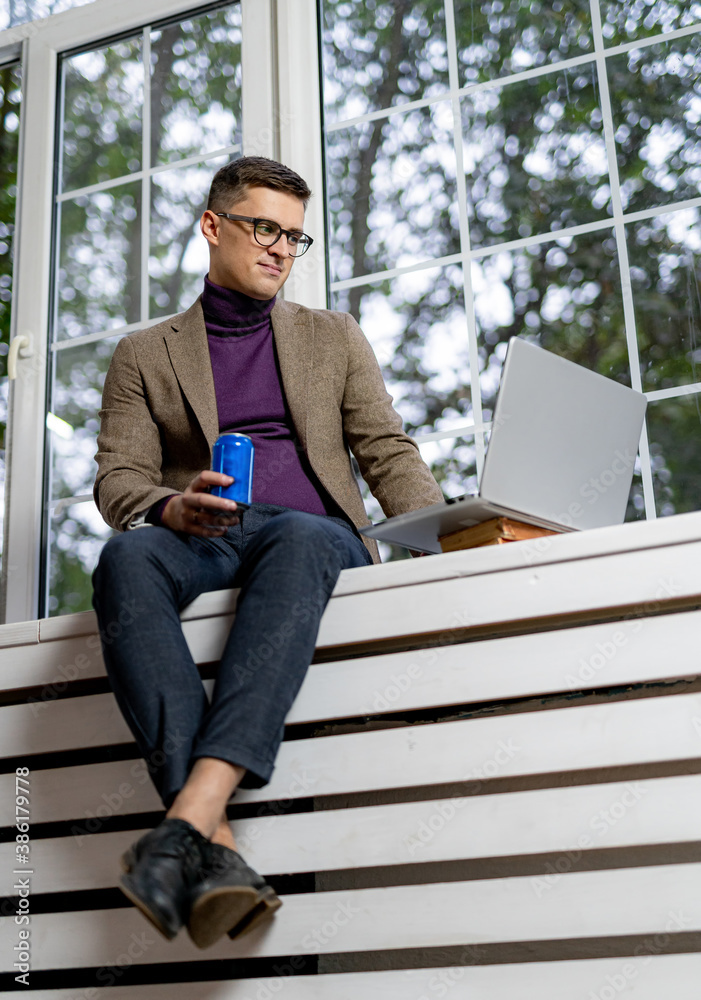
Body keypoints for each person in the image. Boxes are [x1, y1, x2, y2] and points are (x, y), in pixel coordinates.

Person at [92, 156, 444, 950]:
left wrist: (442, 542)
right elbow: (118, 479)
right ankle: (214, 848)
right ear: (213, 227)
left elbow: (385, 451)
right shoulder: (145, 353)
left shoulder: (332, 336)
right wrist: (171, 506)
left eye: (294, 236)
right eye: (263, 228)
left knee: (298, 532)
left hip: (316, 538)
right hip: (208, 536)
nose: (281, 248)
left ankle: (182, 823)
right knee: (125, 559)